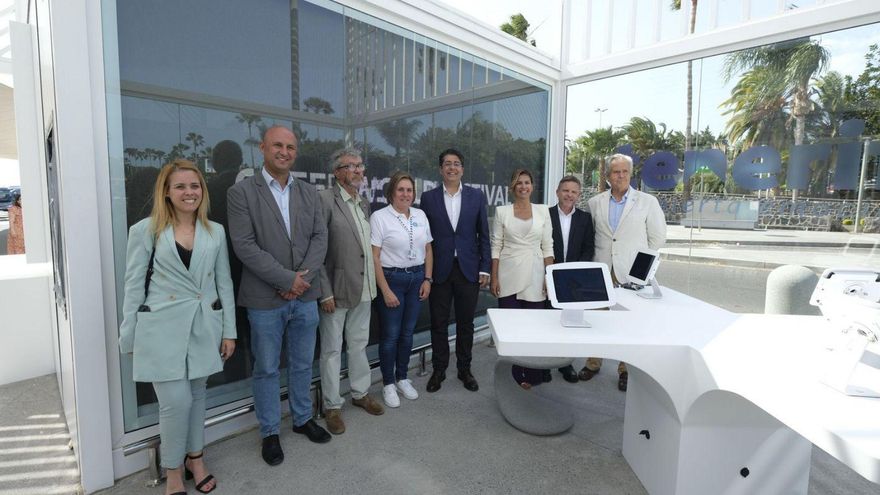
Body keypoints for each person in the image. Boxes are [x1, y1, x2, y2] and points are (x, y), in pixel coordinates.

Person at [118, 159, 236, 495]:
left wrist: (229, 330)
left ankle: (196, 459)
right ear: (167, 193)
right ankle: (172, 471)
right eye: (181, 186)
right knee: (176, 403)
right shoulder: (145, 230)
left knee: (197, 396)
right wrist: (130, 334)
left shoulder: (215, 231)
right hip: (160, 330)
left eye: (195, 186)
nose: (189, 192)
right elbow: (133, 285)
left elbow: (224, 282)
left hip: (204, 326)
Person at [227, 125, 329, 467]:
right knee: (267, 369)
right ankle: (270, 432)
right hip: (264, 299)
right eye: (277, 145)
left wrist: (301, 282)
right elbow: (244, 246)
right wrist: (286, 279)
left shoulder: (309, 192)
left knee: (302, 363)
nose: (284, 151)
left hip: (305, 297)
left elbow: (319, 238)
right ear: (262, 148)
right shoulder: (241, 193)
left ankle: (302, 419)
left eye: (290, 147)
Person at [582, 153, 667, 391]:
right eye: (615, 172)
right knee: (597, 319)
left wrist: (641, 265)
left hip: (630, 273)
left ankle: (625, 369)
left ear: (631, 174)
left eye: (624, 172)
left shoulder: (647, 202)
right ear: (608, 176)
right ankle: (593, 363)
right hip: (602, 269)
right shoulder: (595, 202)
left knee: (629, 323)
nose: (620, 176)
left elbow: (658, 237)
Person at [317, 148, 384, 435]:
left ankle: (360, 394)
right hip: (336, 290)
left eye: (360, 166)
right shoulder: (324, 200)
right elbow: (316, 250)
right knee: (332, 350)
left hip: (364, 288)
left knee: (358, 344)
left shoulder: (363, 202)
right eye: (351, 166)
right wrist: (324, 291)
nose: (358, 171)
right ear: (337, 172)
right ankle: (332, 406)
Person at [420, 149, 490, 393]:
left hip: (468, 270)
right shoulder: (428, 198)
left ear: (462, 169)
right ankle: (439, 369)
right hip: (439, 270)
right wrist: (425, 273)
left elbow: (484, 234)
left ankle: (464, 369)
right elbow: (424, 239)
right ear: (440, 169)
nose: (452, 168)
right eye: (447, 164)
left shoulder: (476, 196)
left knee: (466, 323)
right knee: (438, 323)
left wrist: (485, 268)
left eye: (456, 164)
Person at [371, 171, 433, 408]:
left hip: (416, 278)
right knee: (390, 336)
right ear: (391, 192)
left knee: (407, 334)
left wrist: (427, 279)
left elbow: (428, 249)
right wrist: (385, 290)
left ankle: (402, 377)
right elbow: (375, 258)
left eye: (409, 190)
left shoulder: (420, 214)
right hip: (392, 279)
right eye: (401, 189)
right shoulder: (379, 217)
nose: (405, 194)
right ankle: (388, 383)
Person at [490, 168, 554, 389]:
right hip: (508, 273)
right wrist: (494, 277)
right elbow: (496, 246)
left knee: (534, 328)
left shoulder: (544, 211)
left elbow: (548, 247)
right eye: (519, 183)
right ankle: (514, 374)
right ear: (512, 187)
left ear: (532, 186)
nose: (523, 186)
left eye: (527, 182)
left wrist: (549, 276)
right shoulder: (502, 212)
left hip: (536, 275)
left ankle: (534, 374)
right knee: (512, 328)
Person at [548, 175, 595, 383]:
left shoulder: (584, 219)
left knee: (569, 323)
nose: (569, 195)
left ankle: (565, 365)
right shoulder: (546, 215)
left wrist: (576, 272)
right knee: (549, 322)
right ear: (557, 192)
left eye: (574, 192)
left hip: (573, 279)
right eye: (565, 190)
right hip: (549, 275)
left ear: (578, 195)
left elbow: (588, 248)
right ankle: (545, 366)